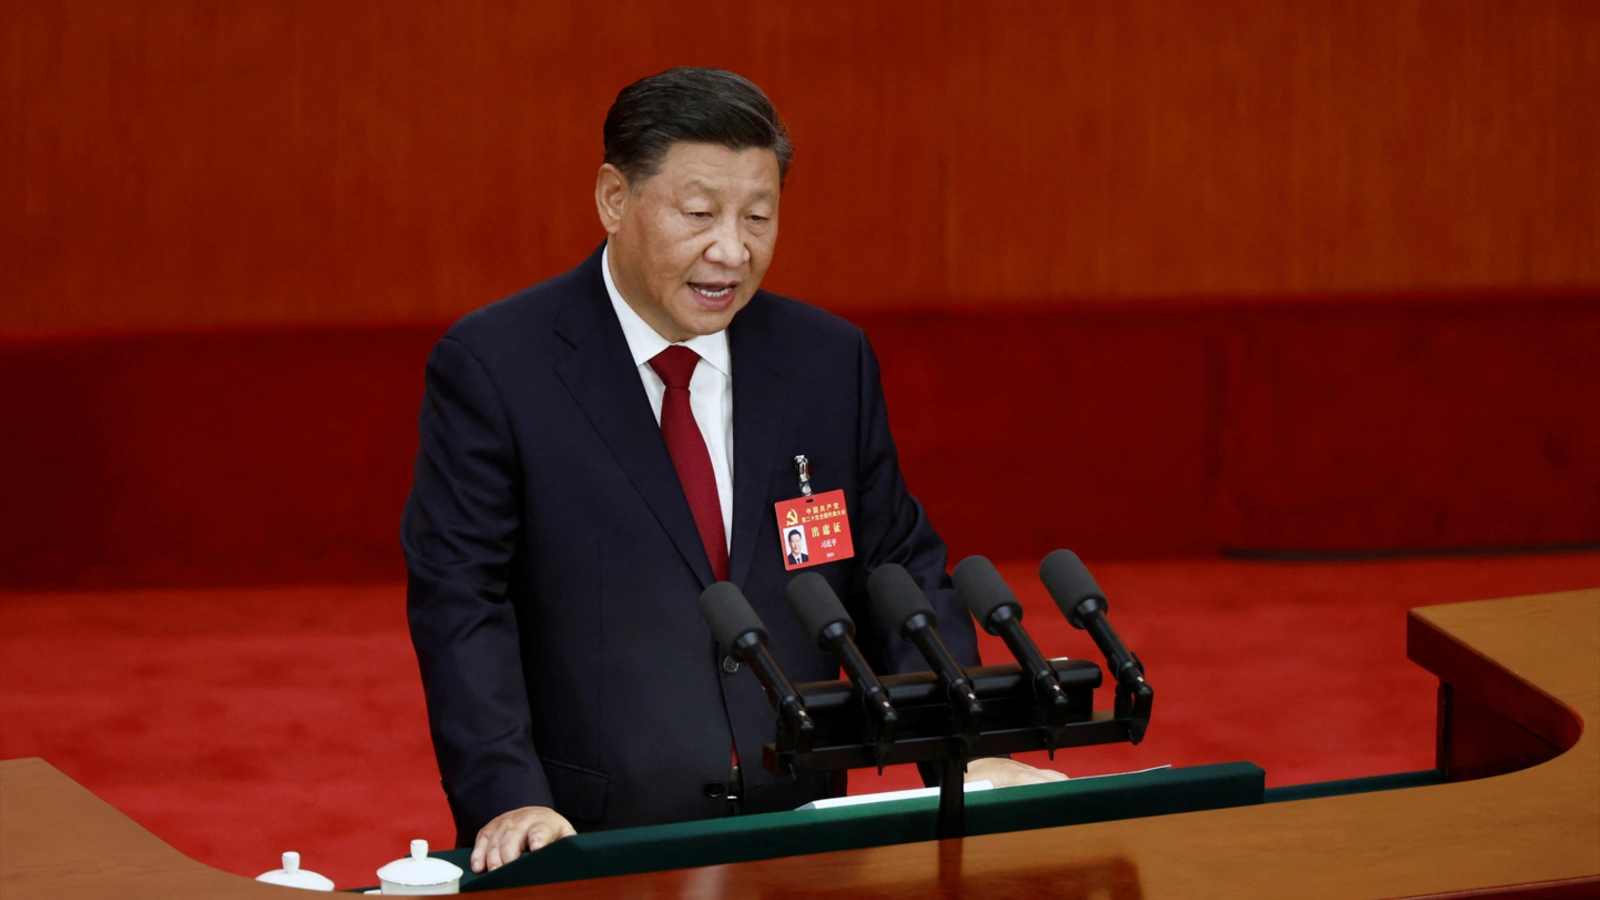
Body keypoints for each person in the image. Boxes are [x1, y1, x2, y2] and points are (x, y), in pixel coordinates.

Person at [401, 67, 1064, 876]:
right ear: (615, 198)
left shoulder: (828, 362)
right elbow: (463, 599)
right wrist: (506, 793)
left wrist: (969, 749)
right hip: (598, 839)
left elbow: (899, 569)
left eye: (759, 216)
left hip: (803, 835)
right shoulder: (499, 367)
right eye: (700, 214)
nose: (733, 250)